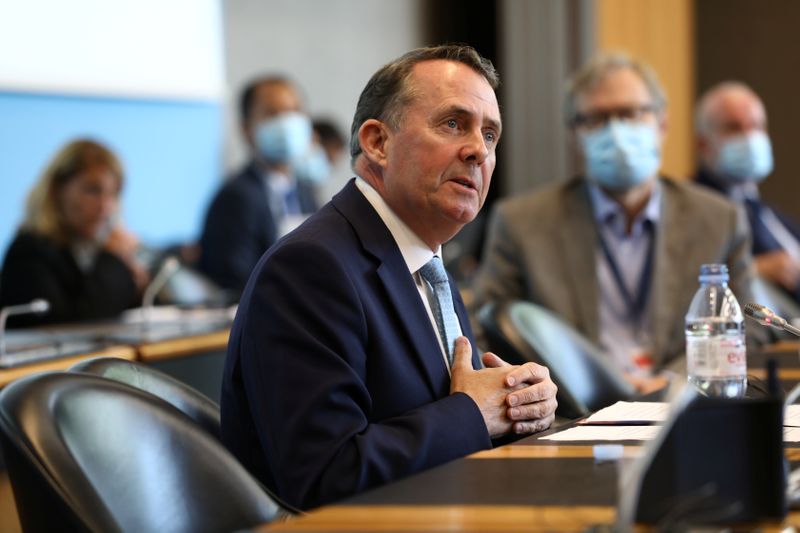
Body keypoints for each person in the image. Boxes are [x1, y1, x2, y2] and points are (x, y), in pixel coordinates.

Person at [221, 44, 558, 511]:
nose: (478, 150)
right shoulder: (308, 269)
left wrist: (517, 404)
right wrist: (474, 415)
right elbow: (326, 479)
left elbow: (452, 406)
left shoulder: (426, 261)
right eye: (453, 124)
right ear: (378, 142)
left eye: (491, 135)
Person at [471, 53, 758, 393]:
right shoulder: (521, 222)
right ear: (575, 134)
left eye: (630, 113)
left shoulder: (719, 218)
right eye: (596, 118)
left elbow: (748, 327)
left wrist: (672, 380)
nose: (616, 130)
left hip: (684, 399)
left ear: (662, 123)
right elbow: (485, 333)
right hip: (572, 410)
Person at [0, 139, 147, 327]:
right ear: (56, 190)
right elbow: (74, 325)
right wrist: (113, 260)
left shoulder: (96, 249)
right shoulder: (28, 251)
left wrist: (140, 284)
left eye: (113, 194)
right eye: (93, 190)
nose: (105, 207)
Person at [198, 76, 318, 294]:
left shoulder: (305, 191)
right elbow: (235, 280)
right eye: (272, 113)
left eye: (294, 111)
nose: (287, 123)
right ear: (246, 129)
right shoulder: (237, 197)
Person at [694, 82, 800, 302]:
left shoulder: (764, 210)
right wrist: (751, 270)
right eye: (733, 127)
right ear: (703, 144)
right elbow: (681, 281)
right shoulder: (691, 208)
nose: (749, 137)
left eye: (756, 125)